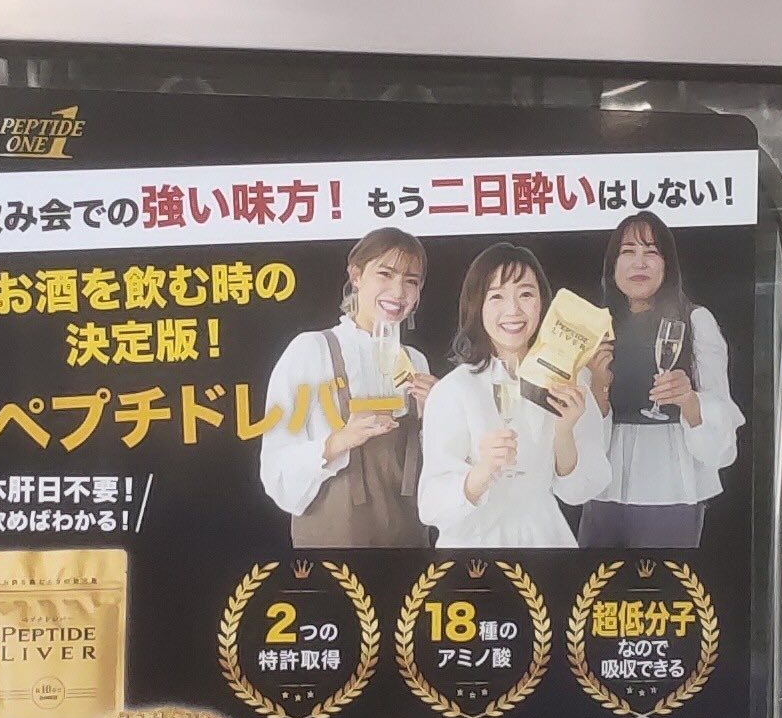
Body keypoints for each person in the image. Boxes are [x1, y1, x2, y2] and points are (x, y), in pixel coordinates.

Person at [415, 239, 608, 548]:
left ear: (543, 303)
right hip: (474, 546)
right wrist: (484, 470)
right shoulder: (453, 390)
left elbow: (581, 491)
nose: (513, 310)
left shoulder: (570, 382)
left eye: (526, 294)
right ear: (477, 306)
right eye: (496, 296)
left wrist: (564, 433)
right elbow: (431, 506)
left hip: (546, 539)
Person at [256, 226, 435, 542]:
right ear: (356, 276)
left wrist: (435, 418)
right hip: (334, 541)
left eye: (411, 281)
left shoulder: (416, 362)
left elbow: (435, 473)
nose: (398, 292)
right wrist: (337, 442)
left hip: (408, 541)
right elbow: (276, 471)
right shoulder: (311, 350)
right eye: (385, 274)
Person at [578, 211, 740, 547]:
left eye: (651, 252)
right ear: (612, 265)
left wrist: (689, 401)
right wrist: (598, 384)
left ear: (668, 265)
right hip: (602, 487)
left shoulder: (696, 321)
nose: (639, 262)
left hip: (672, 488)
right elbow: (579, 430)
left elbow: (722, 439)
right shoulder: (594, 327)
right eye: (628, 252)